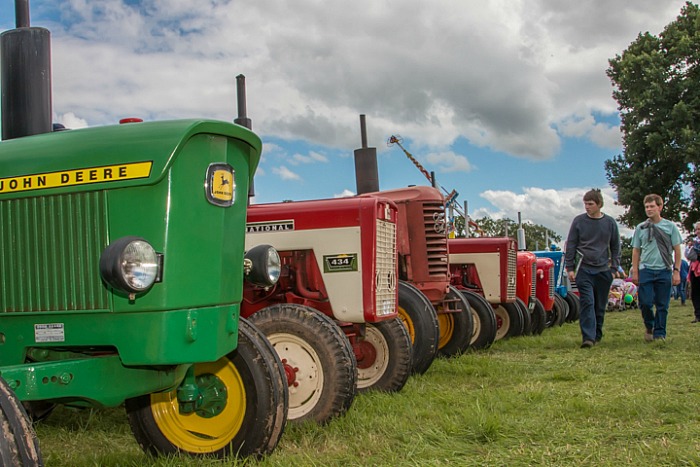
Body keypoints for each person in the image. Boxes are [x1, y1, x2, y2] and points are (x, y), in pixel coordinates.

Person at [565, 189, 621, 348]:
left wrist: (614, 267)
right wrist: (570, 267)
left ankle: (597, 333)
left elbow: (615, 246)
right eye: (585, 204)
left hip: (603, 270)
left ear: (599, 205)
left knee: (600, 305)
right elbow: (571, 244)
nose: (587, 207)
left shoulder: (609, 223)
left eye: (590, 204)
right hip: (584, 269)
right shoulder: (578, 221)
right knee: (587, 302)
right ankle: (588, 338)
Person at [630, 194, 682, 342]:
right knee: (645, 303)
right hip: (646, 269)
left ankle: (659, 334)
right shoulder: (641, 227)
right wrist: (635, 270)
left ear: (660, 207)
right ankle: (649, 325)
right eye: (646, 207)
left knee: (662, 305)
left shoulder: (670, 227)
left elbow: (677, 250)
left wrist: (676, 271)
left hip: (664, 269)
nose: (649, 209)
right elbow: (636, 250)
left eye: (652, 206)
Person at [686, 222, 700, 322]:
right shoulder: (694, 243)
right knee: (695, 292)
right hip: (695, 269)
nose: (698, 231)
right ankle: (698, 315)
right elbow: (688, 256)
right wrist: (690, 247)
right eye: (697, 229)